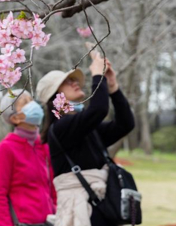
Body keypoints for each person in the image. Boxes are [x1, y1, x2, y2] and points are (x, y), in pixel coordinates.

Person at [37, 48, 135, 226]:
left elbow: (125, 124)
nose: (75, 83)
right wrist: (97, 75)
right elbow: (98, 109)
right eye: (67, 82)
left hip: (99, 207)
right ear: (54, 95)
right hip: (81, 211)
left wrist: (113, 88)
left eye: (74, 80)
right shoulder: (60, 128)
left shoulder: (83, 129)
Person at [0, 89, 57, 226]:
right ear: (14, 117)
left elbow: (53, 187)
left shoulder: (44, 145)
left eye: (31, 100)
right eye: (25, 102)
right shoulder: (6, 148)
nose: (32, 105)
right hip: (23, 223)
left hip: (50, 222)